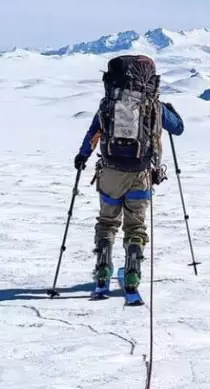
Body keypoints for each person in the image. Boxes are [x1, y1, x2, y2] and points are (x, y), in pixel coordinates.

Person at [74, 54, 184, 296]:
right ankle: (133, 272)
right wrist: (169, 110)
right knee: (136, 226)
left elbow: (94, 132)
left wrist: (83, 156)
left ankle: (103, 269)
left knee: (107, 222)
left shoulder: (108, 104)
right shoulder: (153, 105)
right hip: (142, 172)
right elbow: (178, 128)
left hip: (110, 172)